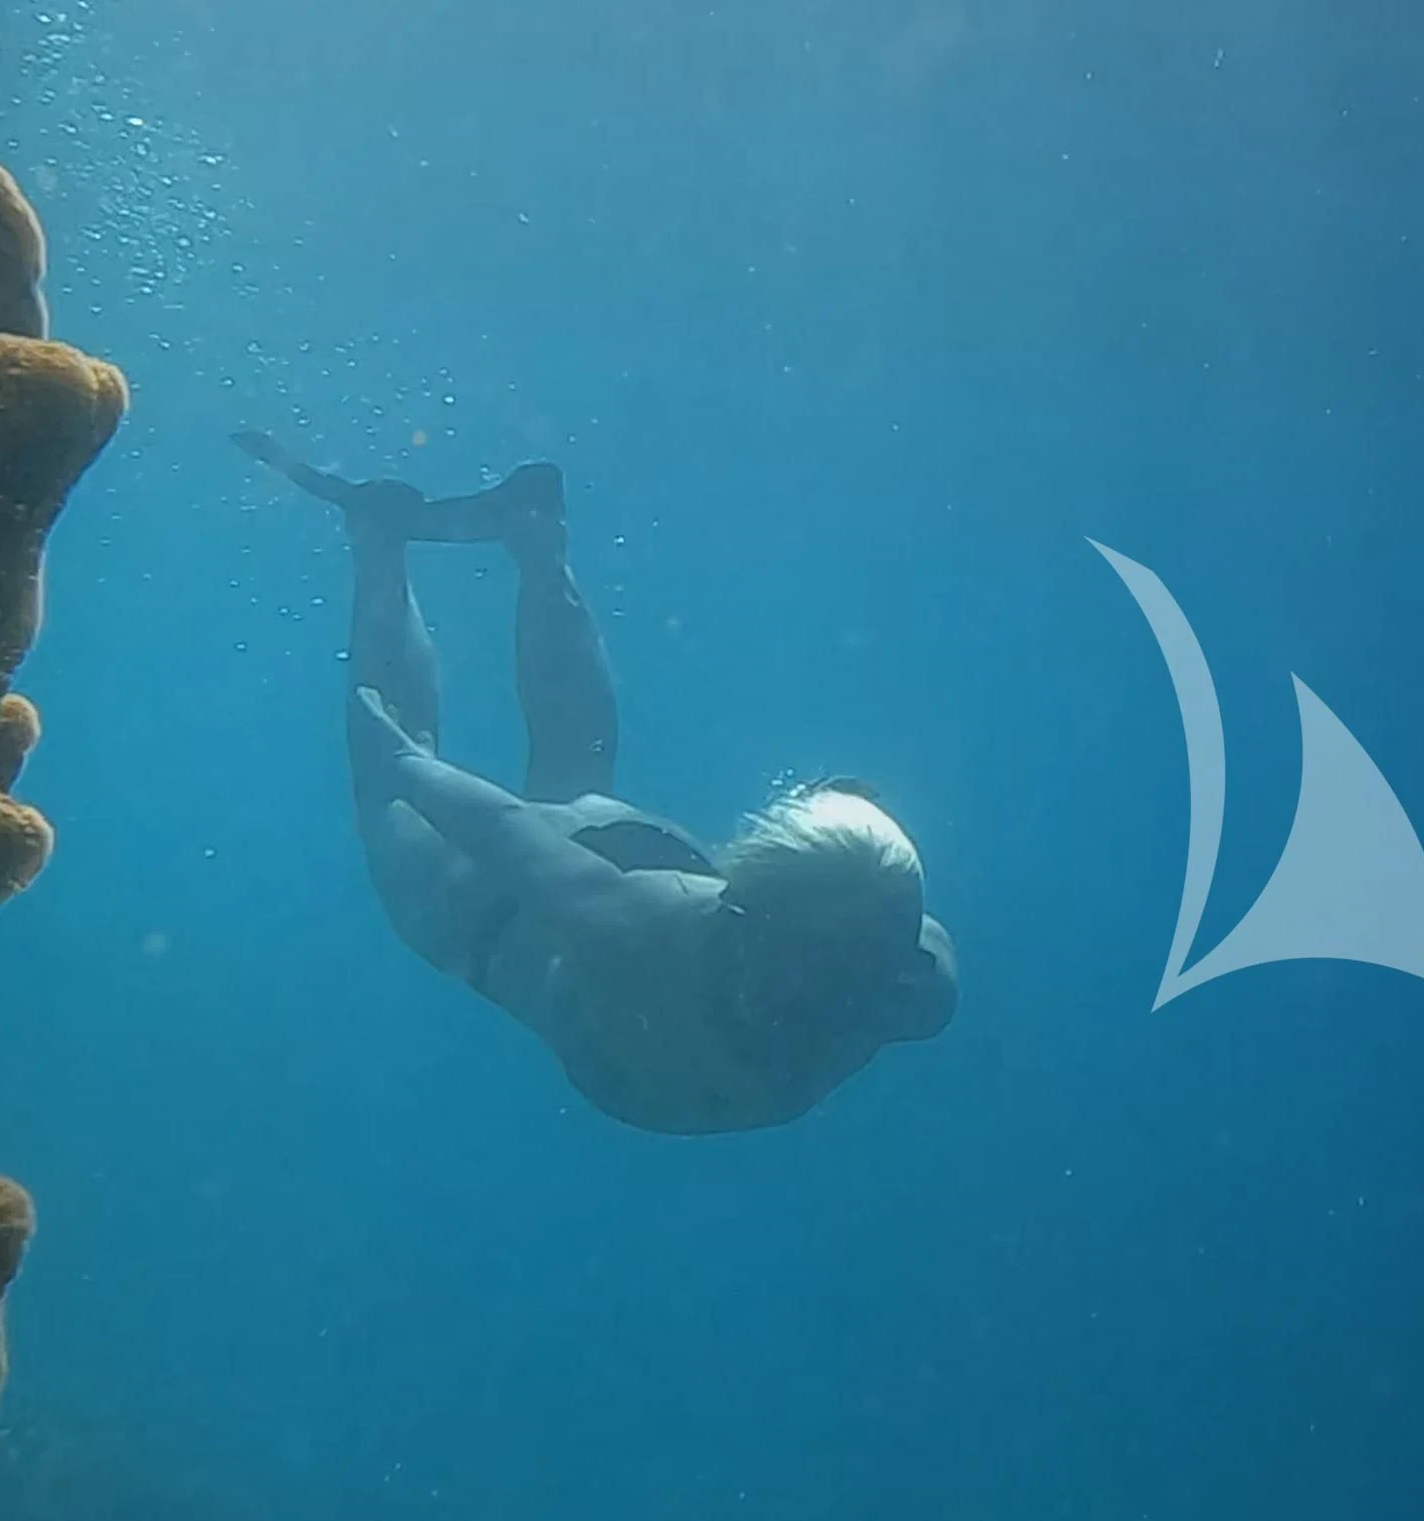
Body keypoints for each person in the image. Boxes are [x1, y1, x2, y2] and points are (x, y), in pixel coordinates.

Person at [238, 430, 955, 1133]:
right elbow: (508, 838)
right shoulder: (907, 988)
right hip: (545, 933)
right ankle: (409, 537)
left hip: (613, 885)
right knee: (542, 771)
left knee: (529, 772)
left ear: (742, 907)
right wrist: (400, 767)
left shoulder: (645, 934)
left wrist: (398, 763)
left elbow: (509, 834)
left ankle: (504, 537)